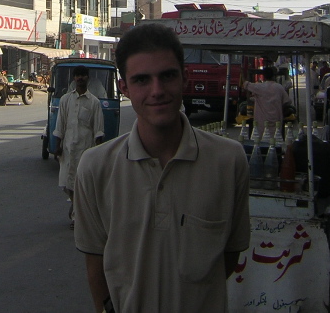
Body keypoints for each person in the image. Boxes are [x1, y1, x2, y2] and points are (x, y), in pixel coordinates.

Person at [74, 23, 250, 313]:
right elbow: (96, 266)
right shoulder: (95, 168)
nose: (157, 91)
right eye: (142, 80)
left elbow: (228, 256)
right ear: (124, 88)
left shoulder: (228, 161)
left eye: (167, 76)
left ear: (184, 78)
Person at [53, 66, 104, 229]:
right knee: (67, 183)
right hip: (68, 148)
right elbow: (60, 123)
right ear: (74, 79)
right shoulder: (65, 100)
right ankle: (75, 206)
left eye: (83, 75)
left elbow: (98, 129)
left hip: (85, 149)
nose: (80, 78)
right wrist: (58, 145)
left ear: (87, 78)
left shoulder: (94, 102)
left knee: (82, 184)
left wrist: (97, 152)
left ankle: (77, 216)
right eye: (77, 76)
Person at [243, 66, 292, 130]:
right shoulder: (279, 88)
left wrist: (242, 73)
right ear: (273, 76)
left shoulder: (259, 87)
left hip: (262, 123)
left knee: (262, 138)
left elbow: (246, 84)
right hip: (276, 122)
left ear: (264, 76)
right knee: (276, 138)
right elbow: (287, 102)